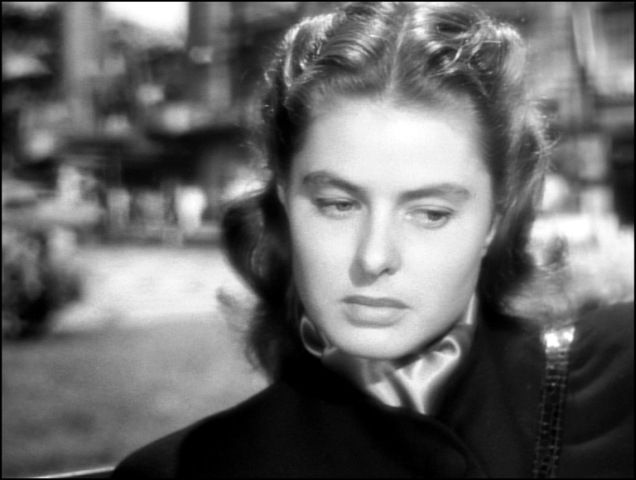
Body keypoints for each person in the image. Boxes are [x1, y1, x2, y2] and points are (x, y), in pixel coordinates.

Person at [112, 2, 633, 478]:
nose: (375, 257)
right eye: (338, 205)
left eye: (430, 214)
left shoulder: (620, 384)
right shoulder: (184, 472)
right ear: (284, 200)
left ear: (494, 221)